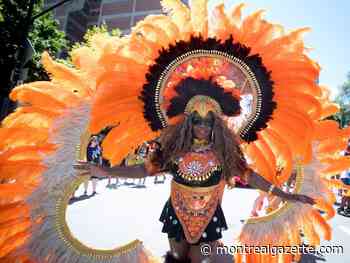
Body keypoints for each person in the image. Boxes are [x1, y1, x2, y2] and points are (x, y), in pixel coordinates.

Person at [75, 78, 314, 263]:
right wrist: (107, 172)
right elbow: (143, 170)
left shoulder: (224, 153)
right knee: (178, 260)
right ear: (189, 122)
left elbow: (249, 176)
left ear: (215, 124)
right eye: (197, 121)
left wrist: (283, 194)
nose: (202, 126)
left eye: (208, 122)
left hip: (208, 216)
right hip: (176, 213)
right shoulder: (174, 149)